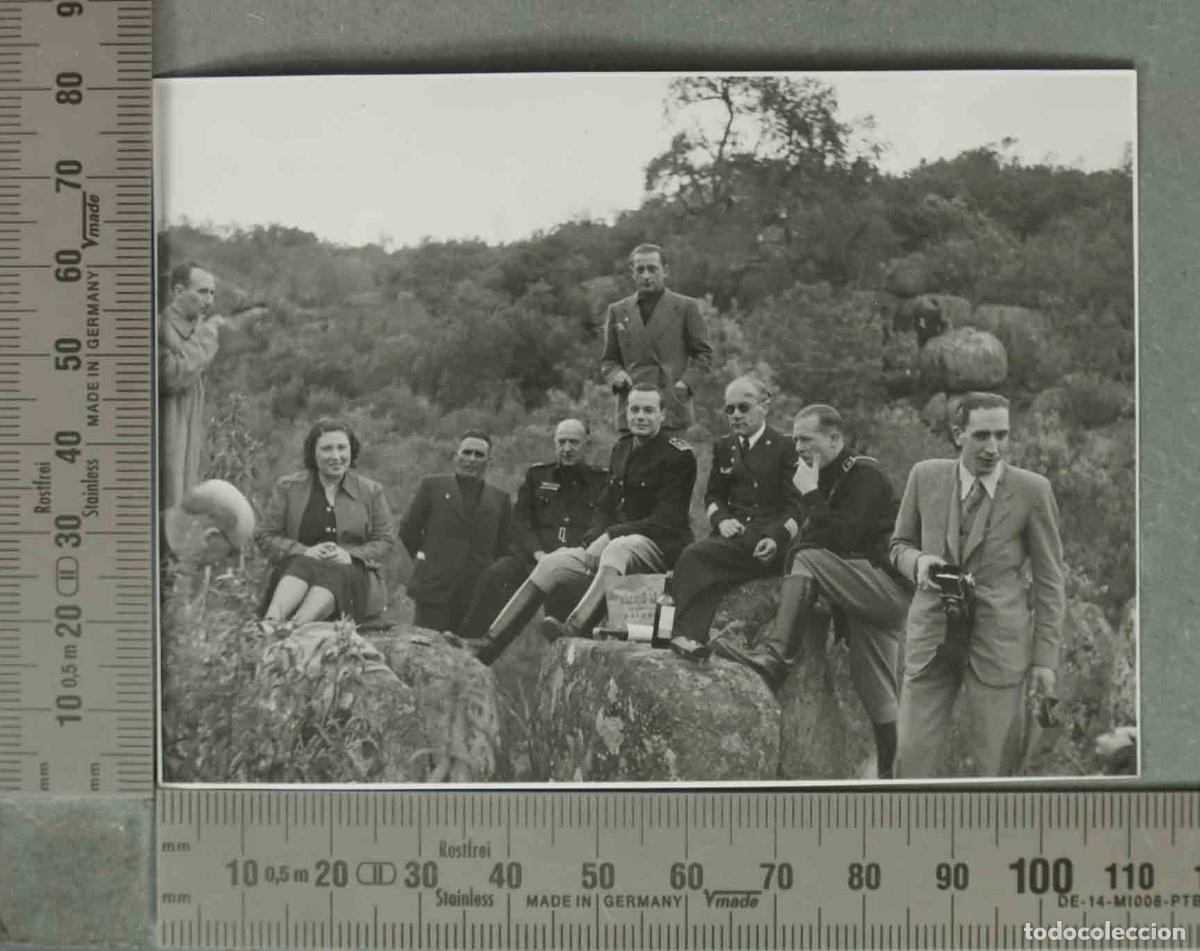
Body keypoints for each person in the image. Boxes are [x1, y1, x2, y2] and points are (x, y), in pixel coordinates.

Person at [715, 404, 911, 779]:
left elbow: (842, 537)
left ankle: (776, 658)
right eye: (795, 438)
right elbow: (817, 535)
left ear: (834, 438)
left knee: (806, 557)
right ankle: (894, 781)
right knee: (879, 697)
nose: (798, 446)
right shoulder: (821, 475)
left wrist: (809, 495)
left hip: (887, 589)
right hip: (862, 598)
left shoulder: (865, 474)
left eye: (807, 438)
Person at [890, 392, 1065, 778]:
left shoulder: (1033, 491)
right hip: (932, 636)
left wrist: (1044, 660)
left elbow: (1051, 580)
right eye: (982, 435)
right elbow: (898, 545)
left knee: (996, 765)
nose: (993, 447)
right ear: (958, 434)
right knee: (911, 755)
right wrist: (919, 563)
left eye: (1002, 435)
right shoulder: (925, 476)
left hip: (998, 642)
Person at [533, 384, 697, 640]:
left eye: (648, 410)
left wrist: (610, 536)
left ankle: (575, 627)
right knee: (551, 564)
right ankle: (488, 643)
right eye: (634, 410)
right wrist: (595, 536)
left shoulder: (679, 456)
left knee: (617, 547)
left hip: (661, 548)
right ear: (626, 413)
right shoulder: (621, 449)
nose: (640, 416)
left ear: (662, 415)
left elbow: (668, 519)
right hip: (616, 549)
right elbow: (605, 504)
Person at [458, 419, 608, 664]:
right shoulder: (538, 476)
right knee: (499, 574)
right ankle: (473, 646)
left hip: (573, 565)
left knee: (564, 625)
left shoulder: (602, 482)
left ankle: (567, 670)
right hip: (535, 559)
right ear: (554, 444)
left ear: (587, 445)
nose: (567, 448)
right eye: (561, 442)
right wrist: (537, 553)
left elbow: (601, 522)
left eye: (574, 442)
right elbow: (521, 521)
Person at [669, 376, 801, 644]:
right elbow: (714, 495)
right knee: (699, 561)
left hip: (767, 541)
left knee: (695, 557)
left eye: (744, 407)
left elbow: (796, 506)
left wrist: (776, 537)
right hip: (734, 534)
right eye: (730, 409)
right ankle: (691, 639)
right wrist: (722, 520)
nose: (736, 415)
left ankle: (681, 635)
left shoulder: (785, 447)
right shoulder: (724, 447)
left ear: (765, 406)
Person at [256, 419, 396, 628]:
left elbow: (385, 541)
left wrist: (350, 556)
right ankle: (270, 623)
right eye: (327, 449)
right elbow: (266, 536)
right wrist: (304, 551)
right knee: (305, 563)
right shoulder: (288, 487)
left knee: (336, 570)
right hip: (297, 572)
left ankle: (293, 628)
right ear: (313, 453)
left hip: (351, 578)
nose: (336, 456)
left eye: (342, 448)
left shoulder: (371, 491)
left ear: (352, 450)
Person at [398, 430, 511, 632]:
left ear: (489, 461)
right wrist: (430, 560)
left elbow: (502, 548)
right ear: (455, 456)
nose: (471, 459)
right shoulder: (432, 486)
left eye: (479, 455)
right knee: (426, 652)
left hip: (475, 597)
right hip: (433, 592)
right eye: (467, 453)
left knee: (466, 657)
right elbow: (408, 531)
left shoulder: (499, 499)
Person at [600, 243, 713, 433]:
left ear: (665, 271)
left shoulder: (686, 307)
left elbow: (704, 354)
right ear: (632, 273)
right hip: (633, 408)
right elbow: (609, 360)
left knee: (673, 461)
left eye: (652, 269)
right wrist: (615, 375)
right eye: (640, 270)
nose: (646, 276)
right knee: (632, 461)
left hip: (671, 406)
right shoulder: (618, 310)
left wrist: (685, 384)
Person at [159, 261, 221, 511]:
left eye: (212, 293)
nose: (209, 301)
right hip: (164, 433)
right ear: (177, 292)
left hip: (189, 434)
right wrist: (206, 339)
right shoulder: (159, 327)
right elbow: (171, 377)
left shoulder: (197, 329)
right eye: (202, 291)